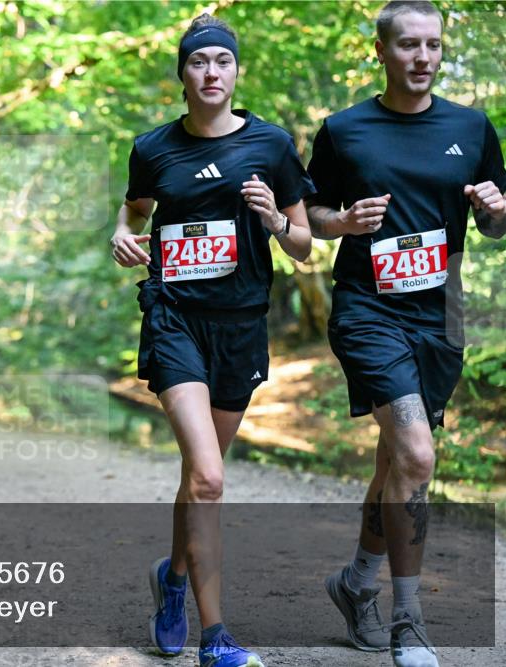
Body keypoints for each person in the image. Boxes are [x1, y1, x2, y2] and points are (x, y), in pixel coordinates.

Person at [304, 3, 506, 666]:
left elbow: (496, 224)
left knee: (395, 460)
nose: (423, 57)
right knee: (418, 455)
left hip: (442, 311)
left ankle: (356, 581)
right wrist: (342, 223)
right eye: (408, 45)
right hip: (368, 309)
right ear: (381, 51)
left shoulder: (471, 127)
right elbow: (307, 213)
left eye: (433, 45)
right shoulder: (344, 130)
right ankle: (408, 621)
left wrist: (497, 212)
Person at [111, 13, 314, 666]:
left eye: (221, 62)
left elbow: (305, 246)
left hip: (240, 324)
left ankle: (172, 580)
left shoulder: (273, 146)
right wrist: (120, 232)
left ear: (236, 72)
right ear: (183, 74)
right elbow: (136, 208)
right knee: (206, 473)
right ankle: (216, 637)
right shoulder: (153, 148)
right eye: (198, 62)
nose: (210, 73)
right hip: (174, 317)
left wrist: (276, 218)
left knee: (202, 479)